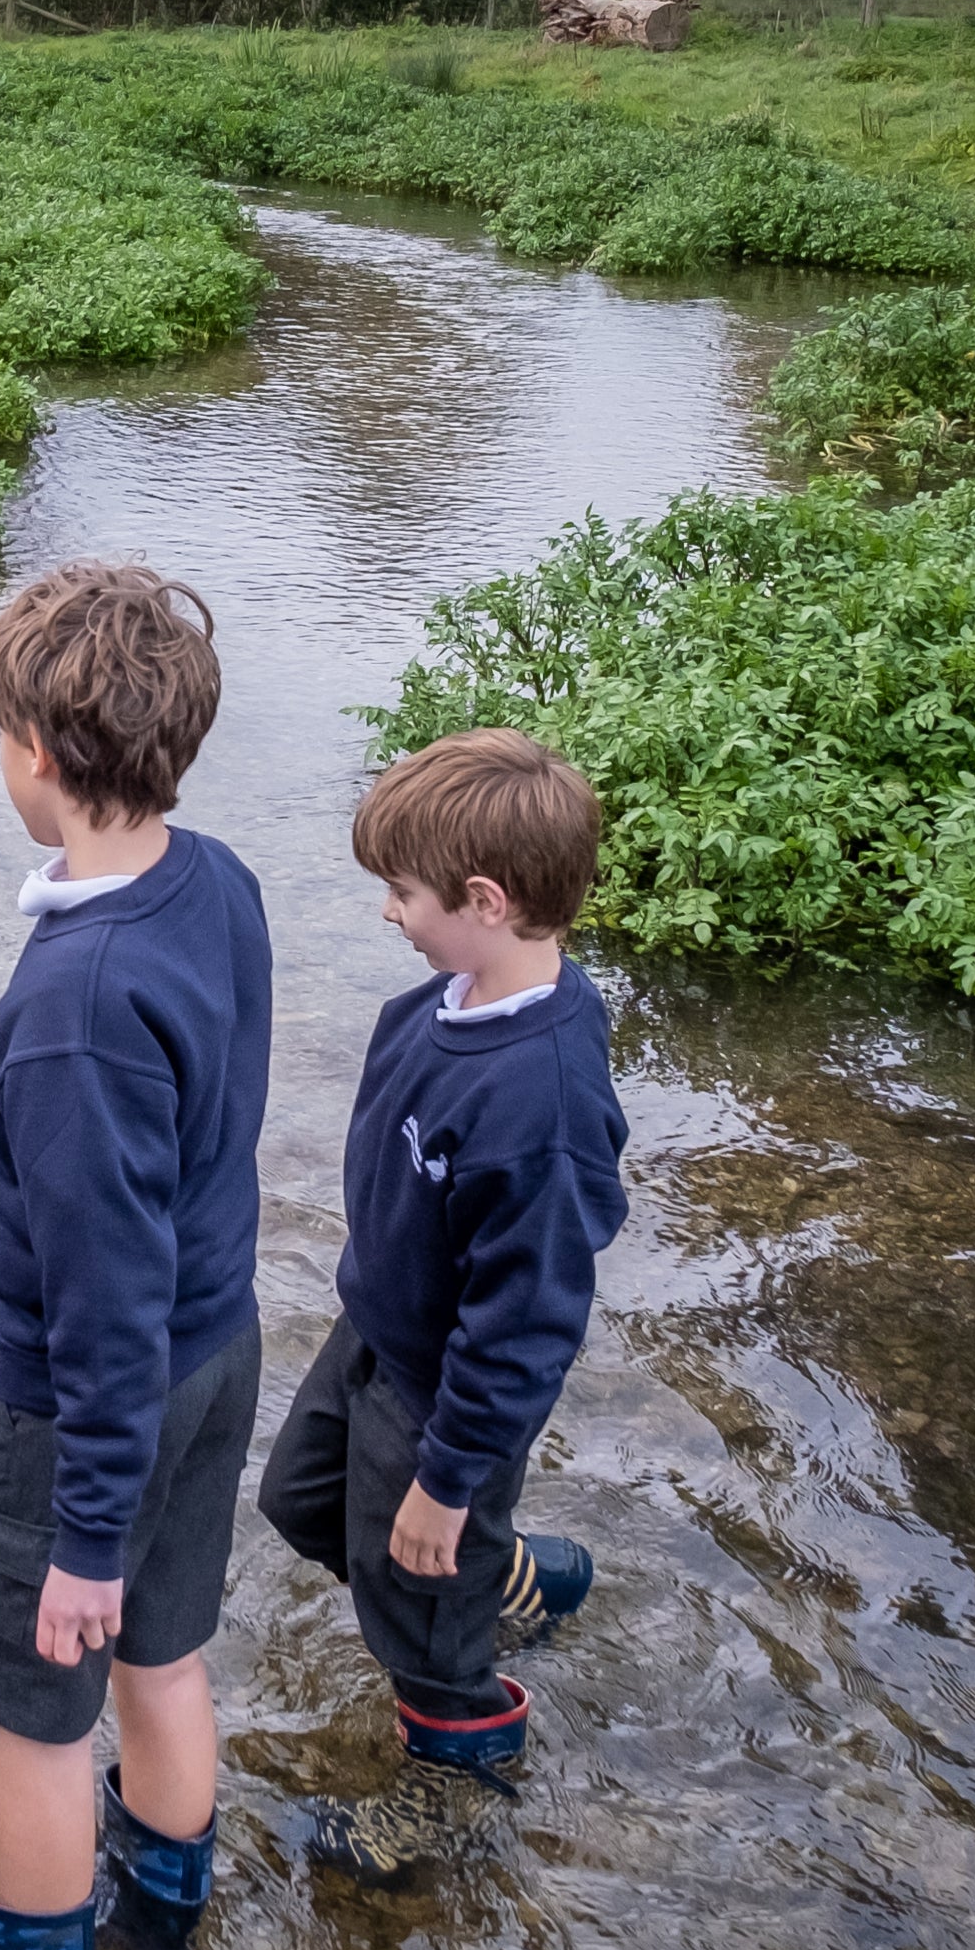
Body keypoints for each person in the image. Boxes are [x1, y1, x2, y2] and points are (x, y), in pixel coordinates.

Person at [0, 562, 270, 1950]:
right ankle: (168, 1927)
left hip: (85, 1404)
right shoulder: (215, 880)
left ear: (37, 754)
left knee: (37, 1716)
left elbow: (98, 1286)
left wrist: (80, 1533)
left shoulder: (71, 1012)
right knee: (165, 1649)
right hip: (216, 1347)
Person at [261, 728, 626, 1884]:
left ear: (483, 897)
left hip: (443, 1394)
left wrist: (446, 1479)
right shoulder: (442, 999)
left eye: (401, 891)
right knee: (299, 1502)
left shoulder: (543, 1105)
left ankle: (456, 1767)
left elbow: (524, 1328)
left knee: (418, 1598)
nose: (385, 912)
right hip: (375, 1325)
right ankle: (510, 1573)